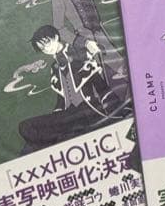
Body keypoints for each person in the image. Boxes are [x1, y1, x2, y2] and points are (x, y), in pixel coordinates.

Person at [17, 26, 116, 154]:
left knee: (29, 146)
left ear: (56, 37)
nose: (47, 49)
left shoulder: (80, 54)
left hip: (87, 111)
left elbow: (100, 85)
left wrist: (116, 110)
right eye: (43, 49)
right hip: (67, 115)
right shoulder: (54, 67)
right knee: (25, 127)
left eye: (47, 43)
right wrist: (55, 116)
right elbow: (61, 98)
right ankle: (62, 139)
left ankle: (62, 140)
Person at [49, 0, 123, 77]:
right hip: (84, 44)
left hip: (104, 37)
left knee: (122, 71)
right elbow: (59, 29)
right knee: (103, 78)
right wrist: (84, 43)